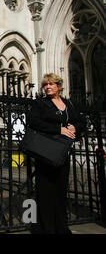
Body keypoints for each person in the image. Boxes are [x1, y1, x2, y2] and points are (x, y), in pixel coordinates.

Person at [27, 73, 84, 234]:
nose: (48, 87)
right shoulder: (40, 103)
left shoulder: (68, 104)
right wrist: (59, 129)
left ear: (59, 86)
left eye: (51, 84)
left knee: (60, 191)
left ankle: (61, 227)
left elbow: (81, 121)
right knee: (45, 192)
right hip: (46, 151)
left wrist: (74, 128)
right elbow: (33, 121)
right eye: (45, 84)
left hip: (62, 153)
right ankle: (44, 228)